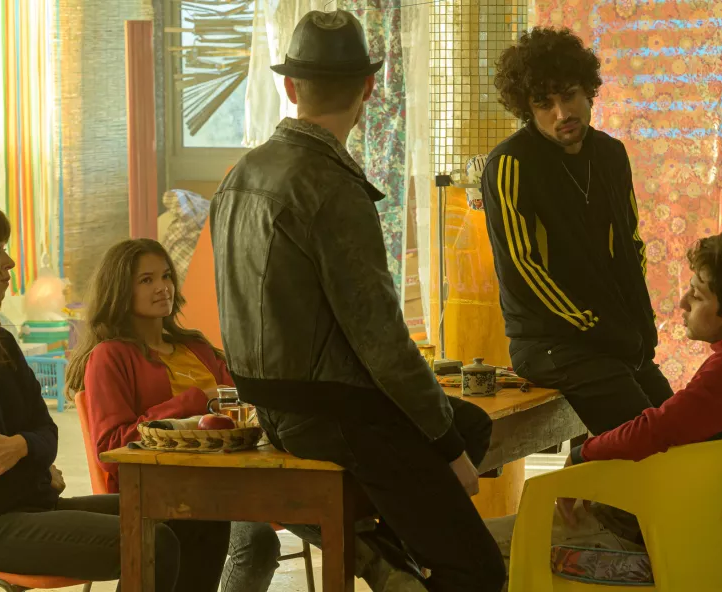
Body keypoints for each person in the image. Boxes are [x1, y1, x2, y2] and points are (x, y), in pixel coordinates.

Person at [210, 9, 506, 592]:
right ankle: (392, 561)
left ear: (290, 88)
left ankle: (385, 555)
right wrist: (448, 451)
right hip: (337, 418)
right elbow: (383, 343)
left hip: (269, 412)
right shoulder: (331, 188)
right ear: (369, 88)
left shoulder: (240, 174)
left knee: (468, 421)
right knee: (478, 569)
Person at [0, 197, 187, 590]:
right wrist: (38, 466)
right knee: (150, 541)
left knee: (187, 514)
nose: (9, 262)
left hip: (24, 506)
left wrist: (24, 447)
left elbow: (46, 432)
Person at [487, 232, 722, 570]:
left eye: (697, 296)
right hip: (684, 530)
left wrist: (581, 455)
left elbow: (655, 429)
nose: (683, 303)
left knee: (468, 547)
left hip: (645, 537)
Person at [481, 27, 674, 435]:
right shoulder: (511, 164)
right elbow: (522, 268)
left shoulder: (610, 155)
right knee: (647, 436)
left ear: (588, 91)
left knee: (680, 428)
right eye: (544, 104)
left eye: (568, 95)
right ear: (527, 109)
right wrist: (594, 326)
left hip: (613, 335)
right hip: (549, 342)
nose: (561, 113)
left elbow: (631, 243)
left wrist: (632, 322)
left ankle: (585, 476)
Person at [65, 238, 280, 592]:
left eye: (166, 276)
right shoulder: (110, 356)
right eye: (146, 280)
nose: (162, 287)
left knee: (322, 511)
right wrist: (197, 402)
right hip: (164, 491)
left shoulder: (196, 347)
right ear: (120, 290)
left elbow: (243, 407)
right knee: (256, 541)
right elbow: (113, 446)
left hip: (236, 479)